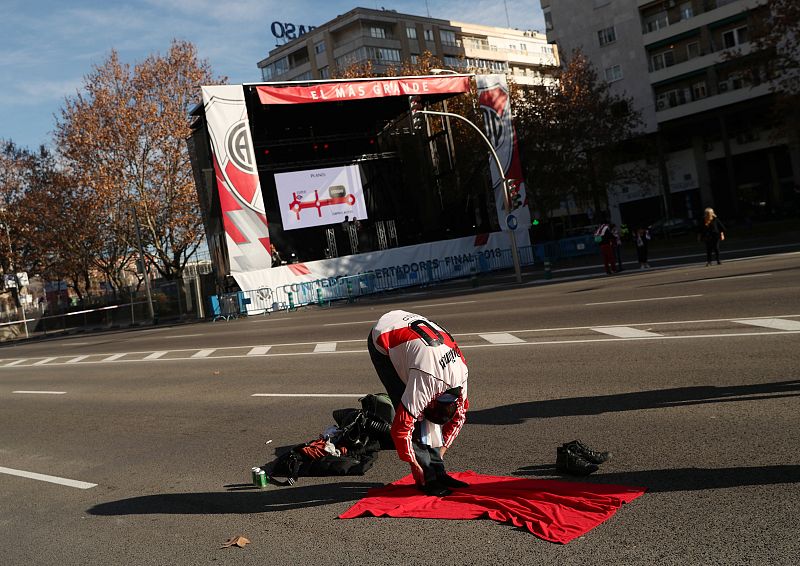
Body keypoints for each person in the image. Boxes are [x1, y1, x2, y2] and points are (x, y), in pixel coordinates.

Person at [368, 310, 469, 496]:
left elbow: (459, 418)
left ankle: (437, 469)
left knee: (422, 418)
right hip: (384, 336)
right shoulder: (426, 381)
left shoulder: (461, 374)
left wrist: (439, 454)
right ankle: (427, 479)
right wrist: (415, 465)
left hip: (420, 348)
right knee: (411, 415)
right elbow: (401, 429)